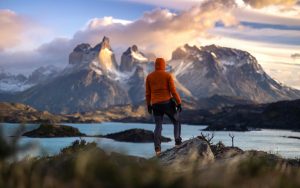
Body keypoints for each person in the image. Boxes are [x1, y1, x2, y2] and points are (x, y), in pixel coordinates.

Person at [145, 58, 182, 156]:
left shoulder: (149, 77)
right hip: (167, 103)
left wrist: (149, 105)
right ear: (163, 65)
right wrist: (179, 102)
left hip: (155, 105)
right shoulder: (168, 75)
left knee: (158, 126)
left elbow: (148, 94)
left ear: (155, 65)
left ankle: (157, 148)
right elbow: (173, 91)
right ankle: (177, 142)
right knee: (176, 121)